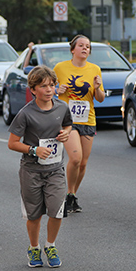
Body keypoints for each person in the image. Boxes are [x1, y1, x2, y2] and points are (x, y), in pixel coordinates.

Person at [8, 65, 73, 268]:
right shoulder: (25, 114)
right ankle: (34, 248)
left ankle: (50, 245)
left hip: (55, 169)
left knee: (56, 210)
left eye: (52, 85)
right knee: (34, 215)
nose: (48, 89)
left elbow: (68, 124)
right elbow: (12, 143)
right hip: (31, 171)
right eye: (43, 86)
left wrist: (66, 133)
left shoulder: (62, 107)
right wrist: (34, 150)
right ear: (33, 89)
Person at [54, 34, 104, 215]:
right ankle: (67, 193)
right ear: (73, 49)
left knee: (83, 163)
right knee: (75, 158)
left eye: (88, 46)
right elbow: (48, 87)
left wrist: (98, 87)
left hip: (88, 119)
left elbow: (100, 98)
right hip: (67, 120)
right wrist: (55, 90)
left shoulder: (95, 69)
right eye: (81, 45)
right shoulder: (60, 68)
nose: (85, 49)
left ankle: (71, 194)